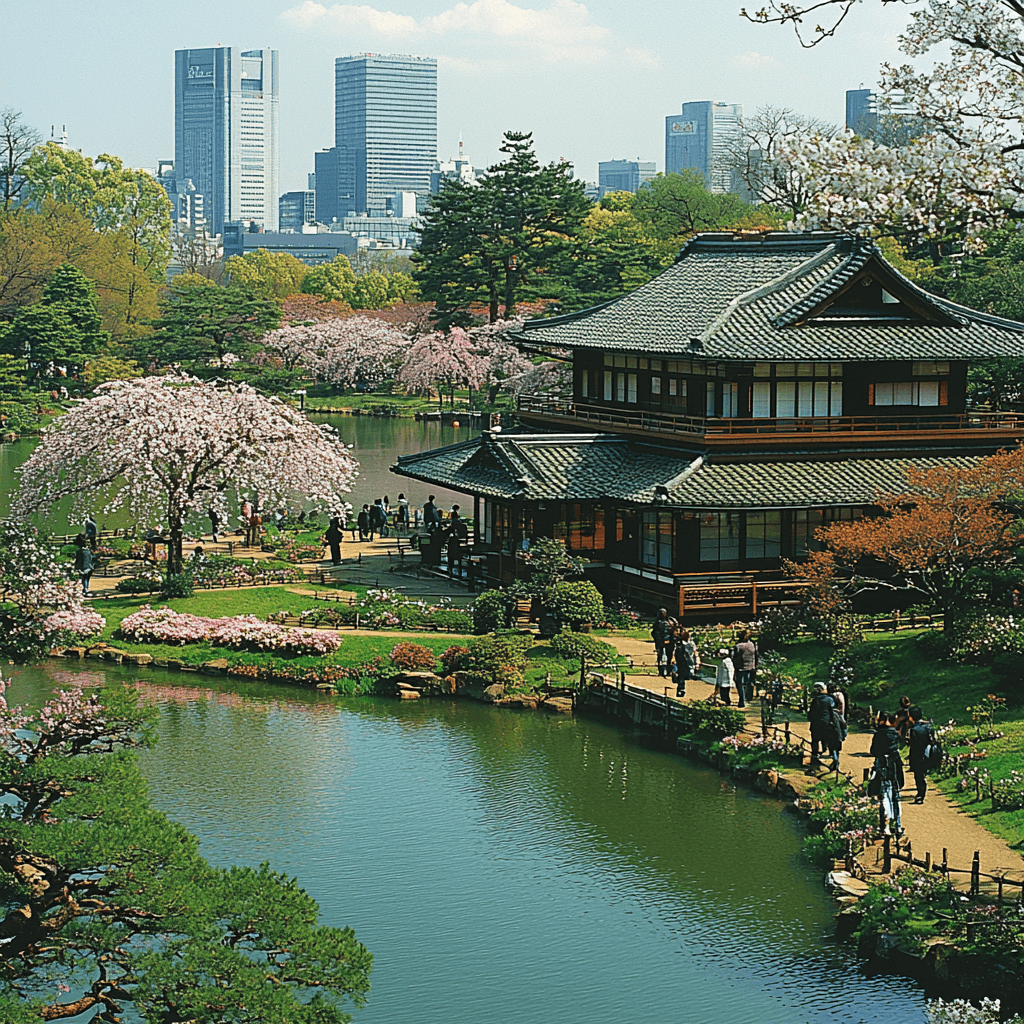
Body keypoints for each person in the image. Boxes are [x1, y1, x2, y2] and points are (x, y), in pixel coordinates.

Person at [870, 712, 905, 836]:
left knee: (884, 795)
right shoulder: (894, 734)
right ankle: (898, 826)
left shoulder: (878, 735)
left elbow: (873, 751)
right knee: (895, 795)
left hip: (882, 765)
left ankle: (886, 827)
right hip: (894, 765)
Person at [809, 681, 842, 771]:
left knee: (815, 741)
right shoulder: (829, 699)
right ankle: (834, 761)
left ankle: (814, 758)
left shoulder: (815, 700)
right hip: (827, 724)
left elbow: (810, 713)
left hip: (816, 724)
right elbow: (832, 711)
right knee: (831, 742)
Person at [907, 708, 935, 804]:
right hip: (928, 753)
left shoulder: (913, 729)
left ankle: (920, 794)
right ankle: (921, 794)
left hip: (917, 755)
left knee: (918, 776)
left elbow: (913, 744)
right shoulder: (927, 727)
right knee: (921, 775)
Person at [731, 629, 757, 708]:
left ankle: (741, 700)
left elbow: (733, 657)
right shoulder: (751, 644)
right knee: (747, 683)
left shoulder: (738, 646)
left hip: (740, 668)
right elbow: (755, 655)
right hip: (750, 667)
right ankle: (747, 698)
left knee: (739, 684)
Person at [673, 627, 699, 698]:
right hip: (687, 662)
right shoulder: (690, 644)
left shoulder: (679, 644)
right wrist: (696, 663)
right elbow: (694, 653)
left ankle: (681, 689)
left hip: (681, 662)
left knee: (681, 676)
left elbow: (675, 653)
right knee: (684, 675)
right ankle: (681, 689)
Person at [651, 608, 676, 678]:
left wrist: (671, 640)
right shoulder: (657, 623)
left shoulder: (671, 621)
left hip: (669, 641)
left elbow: (674, 632)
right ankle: (661, 671)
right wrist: (659, 641)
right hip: (660, 641)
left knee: (669, 656)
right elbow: (655, 633)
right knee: (660, 656)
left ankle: (669, 671)